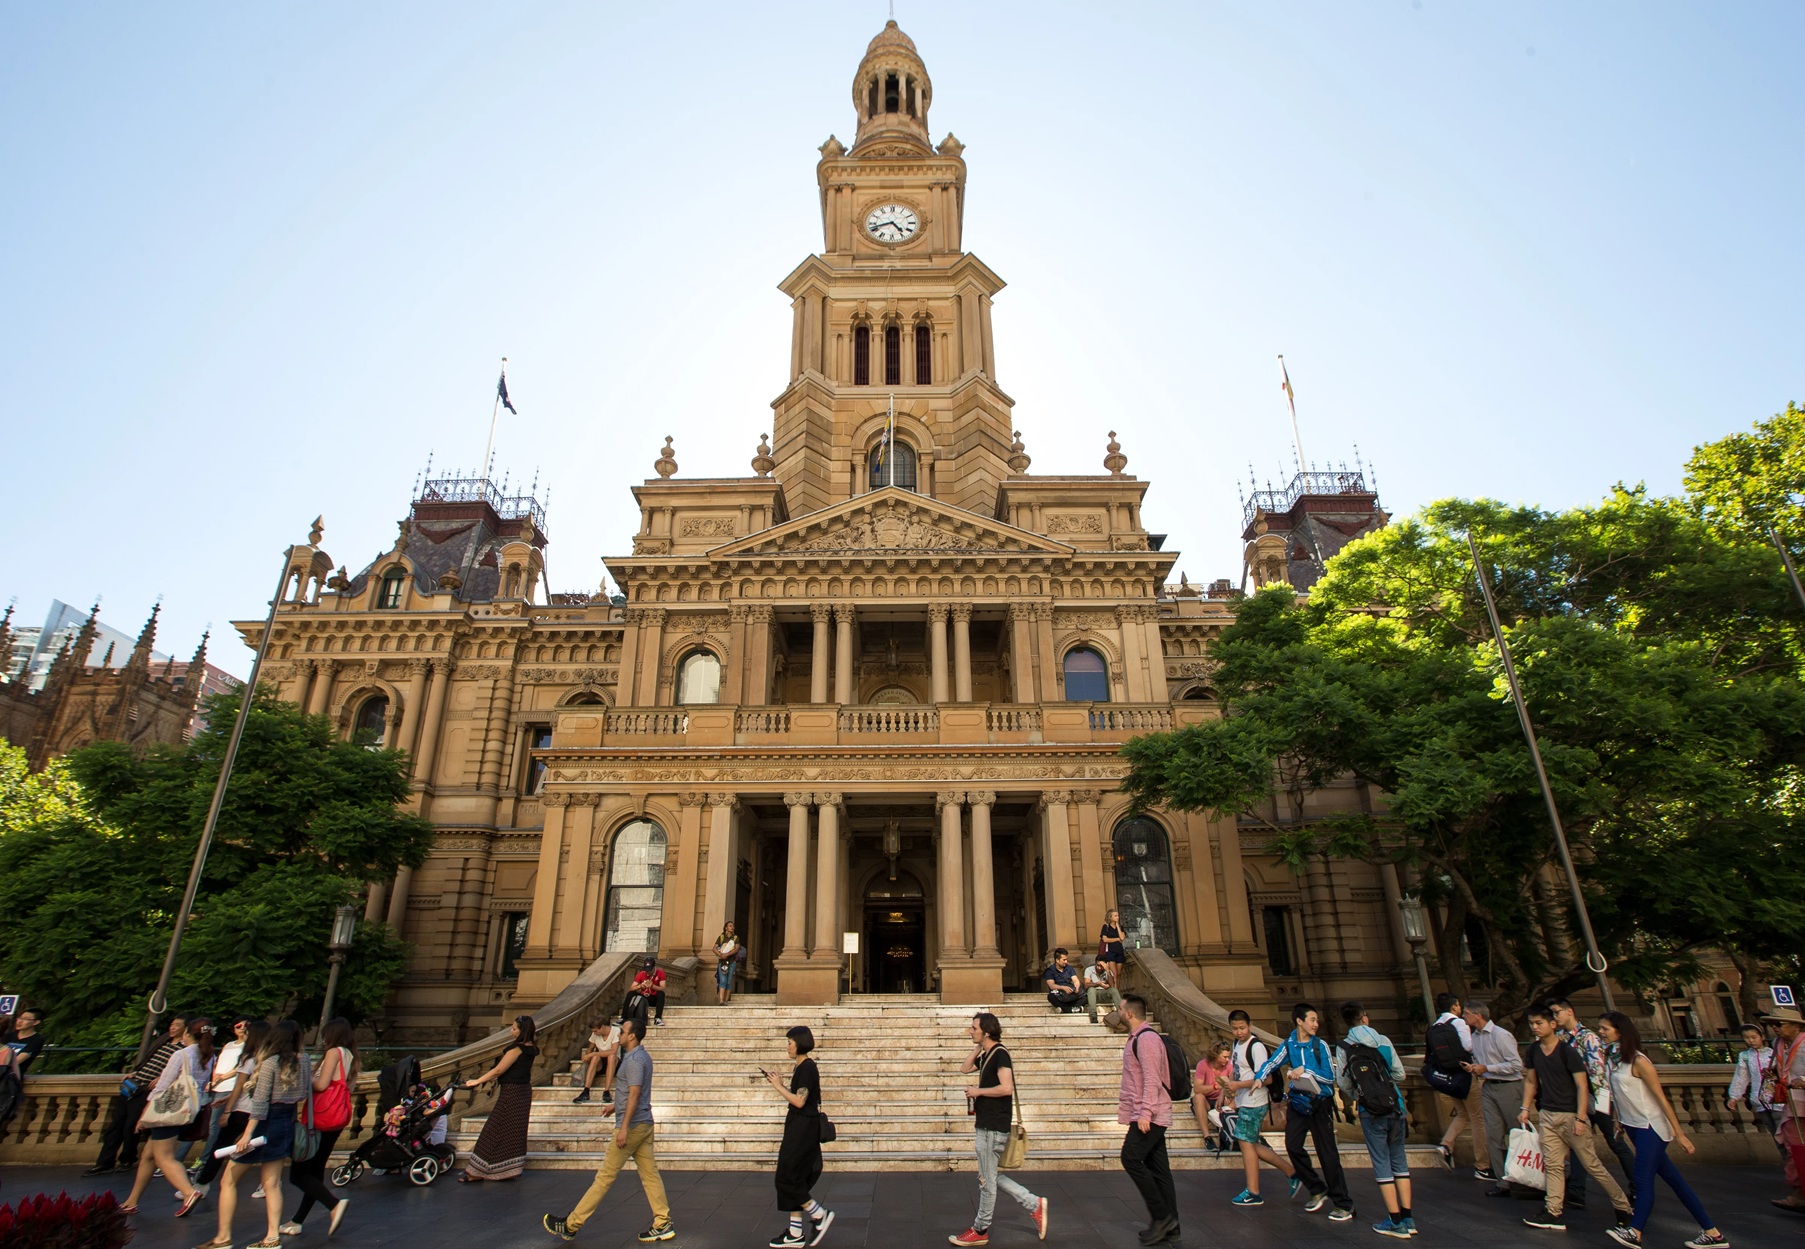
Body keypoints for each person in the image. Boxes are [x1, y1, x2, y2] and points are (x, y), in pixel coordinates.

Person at [1597, 1010, 1728, 1247]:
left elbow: (1661, 1099)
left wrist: (1679, 1134)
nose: (1601, 1032)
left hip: (1651, 1127)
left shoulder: (1638, 1061)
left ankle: (1635, 1231)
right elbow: (1618, 1094)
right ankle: (1712, 1232)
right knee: (1675, 1182)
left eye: (1605, 1028)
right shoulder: (1613, 1059)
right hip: (1633, 1126)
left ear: (1620, 1031)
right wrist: (1618, 1120)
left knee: (1642, 1180)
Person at [542, 1015, 675, 1242]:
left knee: (604, 1177)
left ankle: (572, 1224)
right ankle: (662, 1222)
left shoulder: (633, 1061)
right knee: (650, 1175)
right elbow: (635, 1093)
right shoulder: (641, 1056)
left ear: (632, 1036)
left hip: (632, 1126)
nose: (619, 1034)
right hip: (643, 1122)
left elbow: (634, 1092)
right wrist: (616, 1106)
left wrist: (623, 1127)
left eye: (622, 1032)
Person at [1516, 1004, 1630, 1233]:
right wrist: (1525, 1107)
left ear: (1552, 1024)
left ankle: (1623, 1206)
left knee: (1592, 1164)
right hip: (1548, 1113)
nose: (1535, 1028)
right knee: (1553, 1165)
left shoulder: (1567, 1051)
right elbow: (1531, 1081)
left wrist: (1580, 1118)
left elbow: (1581, 1085)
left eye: (1539, 1023)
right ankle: (1553, 1210)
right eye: (1532, 1024)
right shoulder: (1534, 1051)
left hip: (1570, 1114)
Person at [213, 1018, 312, 1249]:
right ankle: (271, 1237)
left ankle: (223, 1237)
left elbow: (260, 1103)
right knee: (273, 1183)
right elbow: (304, 1092)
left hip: (264, 1123)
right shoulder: (304, 1060)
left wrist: (247, 1134)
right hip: (286, 1120)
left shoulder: (269, 1062)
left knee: (229, 1179)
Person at [950, 1012, 1047, 1246]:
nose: (970, 1031)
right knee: (989, 1176)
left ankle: (981, 1228)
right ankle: (1034, 1204)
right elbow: (964, 1069)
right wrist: (977, 1047)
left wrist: (978, 1092)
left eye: (974, 1028)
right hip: (987, 1122)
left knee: (987, 1180)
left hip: (994, 1125)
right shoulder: (988, 1054)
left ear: (987, 1030)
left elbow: (1006, 1088)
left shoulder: (1001, 1054)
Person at [1254, 1002, 1352, 1221]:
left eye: (1316, 1020)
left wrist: (1306, 1070)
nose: (1316, 1024)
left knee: (1327, 1154)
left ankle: (1343, 1204)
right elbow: (1273, 1062)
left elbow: (1329, 1077)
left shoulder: (1320, 1046)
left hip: (1319, 1103)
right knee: (1292, 1145)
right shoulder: (1289, 1045)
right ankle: (1317, 1188)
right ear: (1300, 1021)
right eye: (1312, 1020)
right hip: (1298, 1103)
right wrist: (1259, 1078)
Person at [120, 1016, 214, 1219]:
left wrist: (145, 1114)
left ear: (188, 1033)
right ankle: (132, 1201)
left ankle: (189, 1192)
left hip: (169, 1109)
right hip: (188, 1108)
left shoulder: (181, 1054)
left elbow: (163, 1085)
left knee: (164, 1157)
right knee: (148, 1155)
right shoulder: (209, 1055)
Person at [1549, 995, 1638, 1208]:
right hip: (1576, 1098)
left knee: (1616, 1143)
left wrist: (1600, 1101)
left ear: (1569, 1011)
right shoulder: (1559, 1037)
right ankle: (1576, 1191)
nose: (1555, 1017)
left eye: (1557, 1012)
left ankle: (1638, 1187)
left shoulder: (1586, 1037)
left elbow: (1597, 1070)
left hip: (1596, 1098)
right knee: (1578, 1144)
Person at [1336, 1002, 1413, 1238]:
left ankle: (1394, 1220)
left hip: (1370, 1110)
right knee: (1399, 1161)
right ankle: (1408, 1218)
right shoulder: (1384, 1041)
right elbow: (1400, 1073)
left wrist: (1363, 1094)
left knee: (1381, 1163)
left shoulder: (1345, 1046)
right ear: (1365, 1018)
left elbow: (1343, 1082)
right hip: (1395, 1106)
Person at [86, 1013, 187, 1176]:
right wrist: (135, 1072)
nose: (172, 1028)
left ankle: (127, 1158)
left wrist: (162, 1078)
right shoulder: (163, 1041)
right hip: (135, 1083)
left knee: (132, 1125)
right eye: (172, 1024)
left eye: (177, 1025)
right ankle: (104, 1161)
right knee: (116, 1124)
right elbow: (149, 1060)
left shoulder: (184, 1049)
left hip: (148, 1089)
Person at [282, 1016, 357, 1236]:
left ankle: (333, 1204)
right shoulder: (350, 1055)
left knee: (299, 1173)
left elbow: (322, 1084)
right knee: (315, 1171)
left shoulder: (334, 1053)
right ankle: (297, 1220)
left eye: (325, 1035)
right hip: (336, 1118)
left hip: (321, 1118)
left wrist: (305, 1077)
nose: (323, 1039)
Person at [1116, 993, 1179, 1245]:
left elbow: (1152, 1078)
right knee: (1160, 1170)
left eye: (1120, 1009)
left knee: (1130, 1158)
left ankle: (1161, 1217)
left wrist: (1145, 1113)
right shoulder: (1137, 1038)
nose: (1118, 1012)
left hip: (1149, 1114)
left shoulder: (1147, 1039)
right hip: (1146, 1112)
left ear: (1129, 1013)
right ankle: (1172, 1225)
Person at [1219, 1008, 1298, 1206]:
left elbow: (1266, 1077)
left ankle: (1254, 1191)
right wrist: (1226, 1089)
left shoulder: (1256, 1047)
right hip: (1245, 1100)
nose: (1239, 1032)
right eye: (1235, 1028)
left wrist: (1238, 1086)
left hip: (1255, 1102)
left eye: (1242, 1028)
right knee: (1250, 1143)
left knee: (1246, 1143)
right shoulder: (1237, 1044)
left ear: (1250, 1025)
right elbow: (1237, 1071)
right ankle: (1292, 1173)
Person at [766, 1025, 835, 1248]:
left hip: (803, 1129)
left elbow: (799, 1101)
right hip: (799, 1125)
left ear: (799, 1043)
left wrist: (778, 1087)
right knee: (791, 1175)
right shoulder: (801, 1067)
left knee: (787, 1177)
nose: (787, 1046)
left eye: (790, 1042)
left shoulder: (807, 1068)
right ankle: (795, 1234)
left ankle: (818, 1214)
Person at [193, 1019, 270, 1196]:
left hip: (243, 1108)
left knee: (221, 1145)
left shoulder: (249, 1057)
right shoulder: (271, 1058)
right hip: (262, 1109)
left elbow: (240, 1085)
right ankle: (267, 1183)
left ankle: (203, 1183)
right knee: (263, 1147)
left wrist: (227, 1110)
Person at [461, 1014, 539, 1182]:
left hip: (511, 1091)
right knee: (514, 1130)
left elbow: (498, 1070)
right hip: (524, 1090)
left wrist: (477, 1080)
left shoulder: (517, 1049)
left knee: (494, 1128)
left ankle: (477, 1171)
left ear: (522, 1031)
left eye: (514, 1029)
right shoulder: (531, 1047)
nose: (511, 1031)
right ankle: (508, 1169)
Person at [1461, 1000, 1525, 1198]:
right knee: (1493, 1135)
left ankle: (1525, 1177)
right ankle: (1503, 1181)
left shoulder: (1500, 1035)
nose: (1463, 1017)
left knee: (1517, 1133)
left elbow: (1516, 1065)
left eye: (1467, 1013)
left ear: (1478, 1016)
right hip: (1489, 1086)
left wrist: (1487, 1068)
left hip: (1508, 1086)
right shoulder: (1476, 1036)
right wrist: (1475, 1068)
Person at [1427, 991, 1487, 1175]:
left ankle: (1446, 1144)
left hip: (1449, 1076)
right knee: (1478, 1118)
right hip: (1465, 1074)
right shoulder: (1458, 1022)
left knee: (1463, 1113)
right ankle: (1482, 1165)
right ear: (1454, 1006)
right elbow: (1468, 1046)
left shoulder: (1435, 1026)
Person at [192, 1017, 250, 1182]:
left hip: (230, 1087)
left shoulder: (249, 1048)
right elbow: (220, 1062)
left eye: (246, 1025)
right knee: (205, 1121)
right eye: (239, 1025)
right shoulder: (229, 1045)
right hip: (216, 1086)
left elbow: (240, 1071)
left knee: (216, 1127)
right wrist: (215, 1076)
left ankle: (204, 1162)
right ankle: (206, 1166)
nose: (242, 1028)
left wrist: (223, 1077)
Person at [1725, 1022, 1784, 1168]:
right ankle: (1788, 1166)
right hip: (1759, 1102)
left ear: (1762, 1037)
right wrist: (1734, 1096)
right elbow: (1741, 1076)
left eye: (1754, 1037)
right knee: (1775, 1137)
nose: (1751, 1040)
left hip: (1778, 1101)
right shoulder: (1744, 1056)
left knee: (1784, 1135)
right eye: (1746, 1038)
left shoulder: (1773, 1053)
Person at [1765, 1005, 1805, 1214]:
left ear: (1796, 1026)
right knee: (1794, 1149)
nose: (1775, 1028)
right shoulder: (1778, 1044)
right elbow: (1780, 1067)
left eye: (1779, 1024)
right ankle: (1798, 1195)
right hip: (1793, 1104)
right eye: (1772, 1024)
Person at [1190, 1039, 1232, 1147]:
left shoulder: (1229, 1065)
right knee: (1198, 1097)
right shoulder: (1203, 1065)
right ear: (1216, 1055)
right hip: (1208, 1101)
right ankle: (1207, 1137)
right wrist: (1214, 1087)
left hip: (1223, 1100)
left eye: (1228, 1057)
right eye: (1224, 1057)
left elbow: (1233, 1083)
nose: (1227, 1060)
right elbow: (1197, 1089)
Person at [572, 1016, 621, 1105]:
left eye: (596, 1031)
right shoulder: (595, 1035)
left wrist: (594, 1053)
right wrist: (587, 1057)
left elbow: (613, 1050)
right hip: (600, 1062)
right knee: (595, 1058)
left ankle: (606, 1091)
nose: (595, 1033)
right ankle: (586, 1091)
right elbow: (591, 1047)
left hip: (614, 1062)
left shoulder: (615, 1031)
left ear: (602, 1027)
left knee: (611, 1056)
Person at [623, 958, 668, 1027]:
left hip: (653, 998)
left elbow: (663, 988)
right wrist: (640, 986)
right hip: (643, 997)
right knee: (631, 993)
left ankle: (658, 1018)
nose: (648, 972)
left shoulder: (660, 973)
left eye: (650, 970)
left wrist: (652, 986)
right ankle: (623, 1017)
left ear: (654, 967)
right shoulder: (641, 974)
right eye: (646, 970)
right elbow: (631, 988)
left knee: (661, 994)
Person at [1083, 955, 1121, 1025]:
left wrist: (1107, 971)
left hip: (1104, 993)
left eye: (1101, 966)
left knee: (1114, 990)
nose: (1099, 968)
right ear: (1095, 963)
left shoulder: (1107, 971)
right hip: (1094, 994)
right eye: (1098, 965)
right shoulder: (1089, 970)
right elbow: (1086, 984)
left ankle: (1121, 1013)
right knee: (1091, 989)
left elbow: (1112, 985)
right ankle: (1093, 1015)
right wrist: (1098, 984)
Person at [1043, 949, 1083, 1014]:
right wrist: (1063, 988)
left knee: (1085, 996)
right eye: (1064, 960)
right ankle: (1071, 1009)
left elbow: (1075, 980)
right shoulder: (1050, 971)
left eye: (1066, 959)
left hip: (1070, 993)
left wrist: (1076, 987)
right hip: (1059, 993)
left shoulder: (1069, 968)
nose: (1066, 962)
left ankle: (1065, 1009)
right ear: (1057, 960)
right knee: (1051, 997)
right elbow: (1052, 985)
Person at [6, 1008, 45, 1073]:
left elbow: (17, 1061)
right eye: (20, 1018)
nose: (20, 1021)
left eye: (25, 1019)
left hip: (11, 1077)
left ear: (36, 1022)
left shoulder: (37, 1039)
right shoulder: (8, 1036)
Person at [714, 922, 742, 1005]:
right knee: (722, 981)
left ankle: (726, 1001)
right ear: (726, 928)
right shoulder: (721, 937)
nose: (732, 927)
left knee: (729, 982)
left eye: (733, 926)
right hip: (722, 962)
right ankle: (721, 1000)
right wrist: (720, 955)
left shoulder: (735, 938)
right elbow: (714, 948)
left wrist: (727, 954)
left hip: (731, 962)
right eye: (730, 926)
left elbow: (736, 949)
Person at [1098, 909, 1126, 988]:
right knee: (1114, 974)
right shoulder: (1106, 927)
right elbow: (1105, 939)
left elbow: (1122, 937)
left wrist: (1117, 926)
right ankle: (1114, 990)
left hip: (1119, 951)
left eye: (1118, 915)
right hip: (1110, 952)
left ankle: (1117, 989)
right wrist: (1117, 939)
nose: (1118, 917)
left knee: (1119, 974)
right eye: (1115, 916)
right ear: (1110, 917)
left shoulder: (1120, 927)